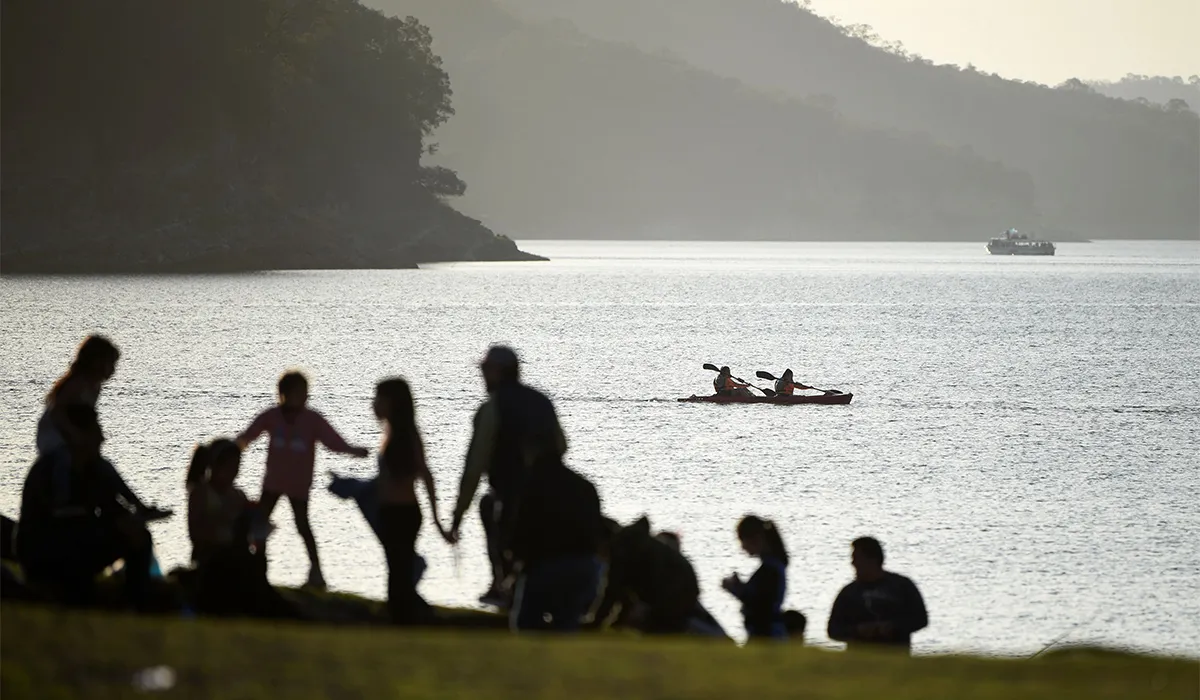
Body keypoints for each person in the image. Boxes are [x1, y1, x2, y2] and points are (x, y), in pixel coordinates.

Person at [16, 405, 170, 609]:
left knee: (139, 537)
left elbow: (113, 508)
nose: (102, 439)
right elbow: (56, 519)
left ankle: (136, 599)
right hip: (46, 550)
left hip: (78, 541)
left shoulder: (96, 471)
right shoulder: (50, 470)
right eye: (96, 432)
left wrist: (131, 520)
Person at [448, 345, 568, 606]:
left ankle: (501, 586)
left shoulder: (492, 409)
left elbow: (474, 466)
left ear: (497, 372)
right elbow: (562, 446)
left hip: (511, 494)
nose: (482, 376)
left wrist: (458, 514)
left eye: (484, 370)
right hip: (551, 492)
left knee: (490, 510)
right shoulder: (542, 401)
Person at [237, 371, 370, 590]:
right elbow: (248, 436)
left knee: (303, 526)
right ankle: (256, 568)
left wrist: (353, 451)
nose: (305, 396)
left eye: (306, 392)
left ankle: (316, 572)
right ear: (284, 394)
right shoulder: (272, 416)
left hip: (298, 485)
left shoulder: (312, 420)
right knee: (259, 524)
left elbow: (333, 441)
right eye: (300, 392)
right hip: (273, 482)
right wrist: (232, 448)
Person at [185, 439, 297, 619]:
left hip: (237, 555)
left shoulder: (238, 495)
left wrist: (259, 527)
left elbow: (250, 533)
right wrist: (224, 524)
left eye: (237, 466)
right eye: (229, 467)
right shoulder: (201, 493)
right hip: (212, 558)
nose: (234, 472)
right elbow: (195, 534)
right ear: (215, 465)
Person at [372, 377, 452, 624]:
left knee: (399, 572)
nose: (373, 405)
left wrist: (438, 522)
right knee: (398, 571)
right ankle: (407, 615)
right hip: (389, 511)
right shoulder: (390, 433)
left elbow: (426, 475)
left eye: (379, 399)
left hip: (403, 513)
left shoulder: (406, 435)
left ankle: (410, 617)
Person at [506, 456, 605, 632]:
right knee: (567, 620)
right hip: (584, 569)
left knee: (525, 622)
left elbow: (518, 540)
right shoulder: (585, 487)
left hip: (547, 569)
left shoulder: (530, 486)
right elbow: (597, 538)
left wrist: (512, 572)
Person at [827, 537, 928, 653]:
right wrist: (858, 631)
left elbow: (920, 619)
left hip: (896, 657)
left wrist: (893, 627)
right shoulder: (848, 593)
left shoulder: (902, 586)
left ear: (872, 560)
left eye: (857, 558)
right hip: (858, 661)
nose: (853, 563)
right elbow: (833, 630)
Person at [36, 335, 120, 455]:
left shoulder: (95, 386)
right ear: (97, 362)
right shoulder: (77, 383)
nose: (113, 370)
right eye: (111, 364)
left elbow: (87, 417)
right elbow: (57, 412)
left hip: (73, 431)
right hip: (54, 432)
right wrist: (74, 434)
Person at [722, 515, 789, 640]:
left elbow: (760, 604)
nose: (742, 547)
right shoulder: (772, 566)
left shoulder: (770, 569)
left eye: (743, 541)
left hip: (767, 634)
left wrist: (736, 589)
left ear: (756, 539)